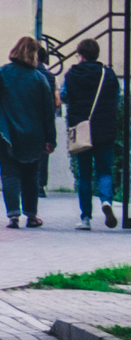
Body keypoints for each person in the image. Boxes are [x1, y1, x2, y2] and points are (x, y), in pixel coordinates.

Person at [0, 35, 60, 228]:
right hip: (34, 134)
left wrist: (2, 110)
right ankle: (32, 215)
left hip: (5, 131)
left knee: (9, 173)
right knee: (31, 174)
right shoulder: (39, 79)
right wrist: (50, 139)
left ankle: (13, 215)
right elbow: (48, 112)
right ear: (34, 55)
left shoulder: (2, 73)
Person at [61, 39, 121, 231]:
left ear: (80, 54)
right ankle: (106, 202)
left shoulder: (72, 74)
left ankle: (85, 217)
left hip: (81, 130)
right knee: (104, 170)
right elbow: (116, 99)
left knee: (85, 175)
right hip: (105, 129)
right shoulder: (108, 74)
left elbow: (64, 96)